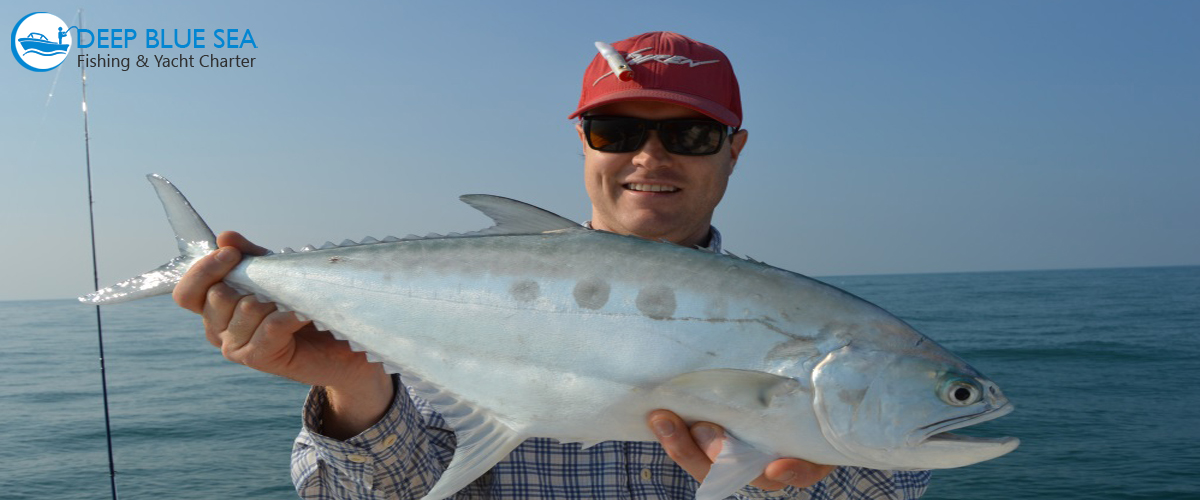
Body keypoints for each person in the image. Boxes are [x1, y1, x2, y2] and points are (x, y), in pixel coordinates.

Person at [173, 31, 932, 499]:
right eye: (616, 130)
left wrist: (782, 494)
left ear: (734, 149)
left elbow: (890, 485)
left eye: (691, 136)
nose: (649, 158)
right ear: (583, 143)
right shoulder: (452, 306)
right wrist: (351, 382)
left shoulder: (809, 323)